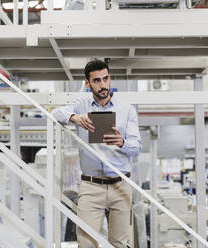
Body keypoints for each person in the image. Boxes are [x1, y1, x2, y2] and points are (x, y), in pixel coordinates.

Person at [51, 59, 142, 248]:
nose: (103, 85)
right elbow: (55, 113)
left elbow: (136, 147)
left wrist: (122, 143)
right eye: (97, 81)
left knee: (119, 243)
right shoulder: (81, 105)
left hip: (121, 185)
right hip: (91, 187)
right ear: (87, 83)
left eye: (105, 79)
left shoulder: (126, 110)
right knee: (86, 243)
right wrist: (74, 117)